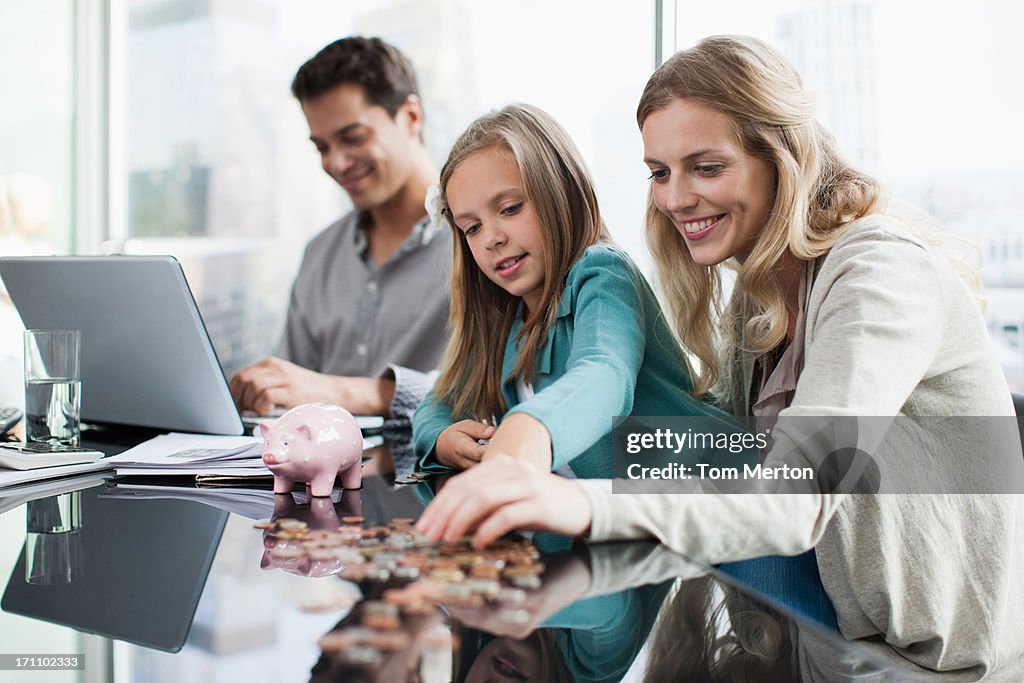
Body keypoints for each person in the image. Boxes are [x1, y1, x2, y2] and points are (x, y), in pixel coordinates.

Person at [415, 36, 1024, 675]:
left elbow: (793, 496)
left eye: (706, 167)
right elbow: (725, 455)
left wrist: (580, 497)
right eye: (659, 173)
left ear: (782, 158)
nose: (676, 199)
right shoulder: (757, 304)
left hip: (926, 667)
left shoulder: (881, 273)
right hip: (826, 646)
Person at [411, 103, 730, 477]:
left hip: (709, 491)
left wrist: (531, 426)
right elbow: (439, 401)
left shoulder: (603, 273)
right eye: (472, 228)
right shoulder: (504, 317)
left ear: (560, 194)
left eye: (511, 209)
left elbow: (604, 374)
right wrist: (442, 438)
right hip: (610, 524)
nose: (492, 239)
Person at [228, 37, 449, 425]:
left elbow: (505, 393)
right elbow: (291, 392)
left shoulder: (483, 242)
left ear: (411, 117)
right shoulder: (320, 254)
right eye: (321, 147)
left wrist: (345, 392)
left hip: (442, 483)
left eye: (353, 137)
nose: (336, 162)